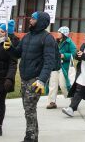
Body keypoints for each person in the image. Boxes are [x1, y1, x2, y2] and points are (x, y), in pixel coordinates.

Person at [5, 11, 56, 142]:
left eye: (33, 19)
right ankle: (33, 135)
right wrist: (9, 48)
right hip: (24, 78)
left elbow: (49, 61)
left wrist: (42, 80)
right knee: (28, 109)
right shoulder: (27, 37)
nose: (30, 20)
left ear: (40, 22)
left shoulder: (47, 38)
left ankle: (30, 137)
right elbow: (17, 53)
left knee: (29, 108)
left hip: (35, 80)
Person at [46, 26, 76, 109]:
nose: (57, 33)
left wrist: (64, 55)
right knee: (52, 84)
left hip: (64, 67)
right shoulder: (55, 42)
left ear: (64, 34)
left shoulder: (70, 43)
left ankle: (72, 99)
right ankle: (52, 102)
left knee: (64, 85)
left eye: (59, 32)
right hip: (54, 66)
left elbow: (74, 54)